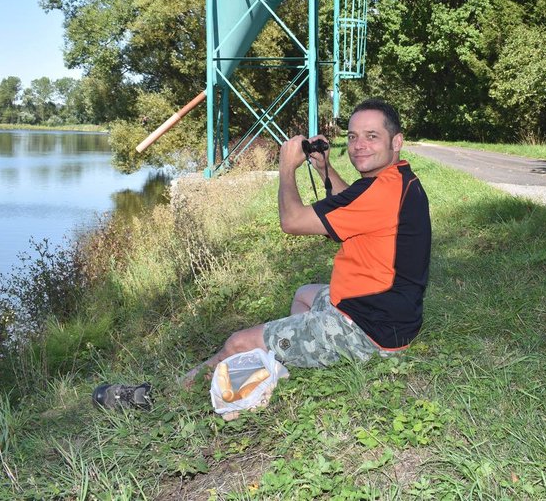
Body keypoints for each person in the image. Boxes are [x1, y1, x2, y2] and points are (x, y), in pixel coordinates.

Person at [182, 98, 431, 386]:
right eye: (352, 137)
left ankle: (185, 387)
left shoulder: (381, 192)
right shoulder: (397, 179)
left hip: (369, 330)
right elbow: (353, 202)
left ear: (396, 141)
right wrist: (324, 170)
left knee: (237, 343)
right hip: (390, 314)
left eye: (371, 136)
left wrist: (286, 168)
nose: (359, 145)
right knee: (303, 294)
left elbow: (292, 221)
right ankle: (291, 356)